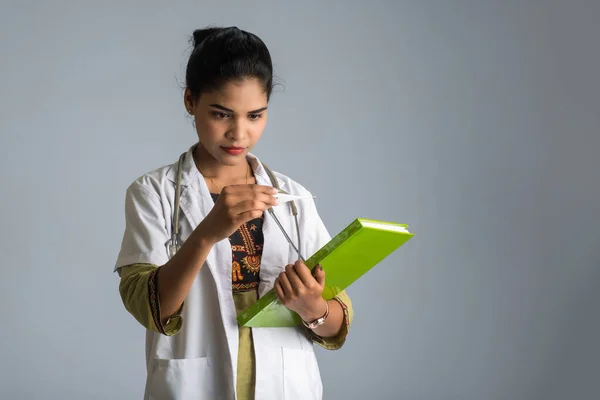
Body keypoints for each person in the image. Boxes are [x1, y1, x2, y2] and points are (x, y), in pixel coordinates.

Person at [114, 26, 353, 400]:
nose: (239, 133)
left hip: (287, 387)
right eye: (222, 114)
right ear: (190, 100)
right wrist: (207, 232)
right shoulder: (153, 193)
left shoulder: (294, 199)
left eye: (255, 115)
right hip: (195, 386)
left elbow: (337, 321)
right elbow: (150, 309)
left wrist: (313, 308)